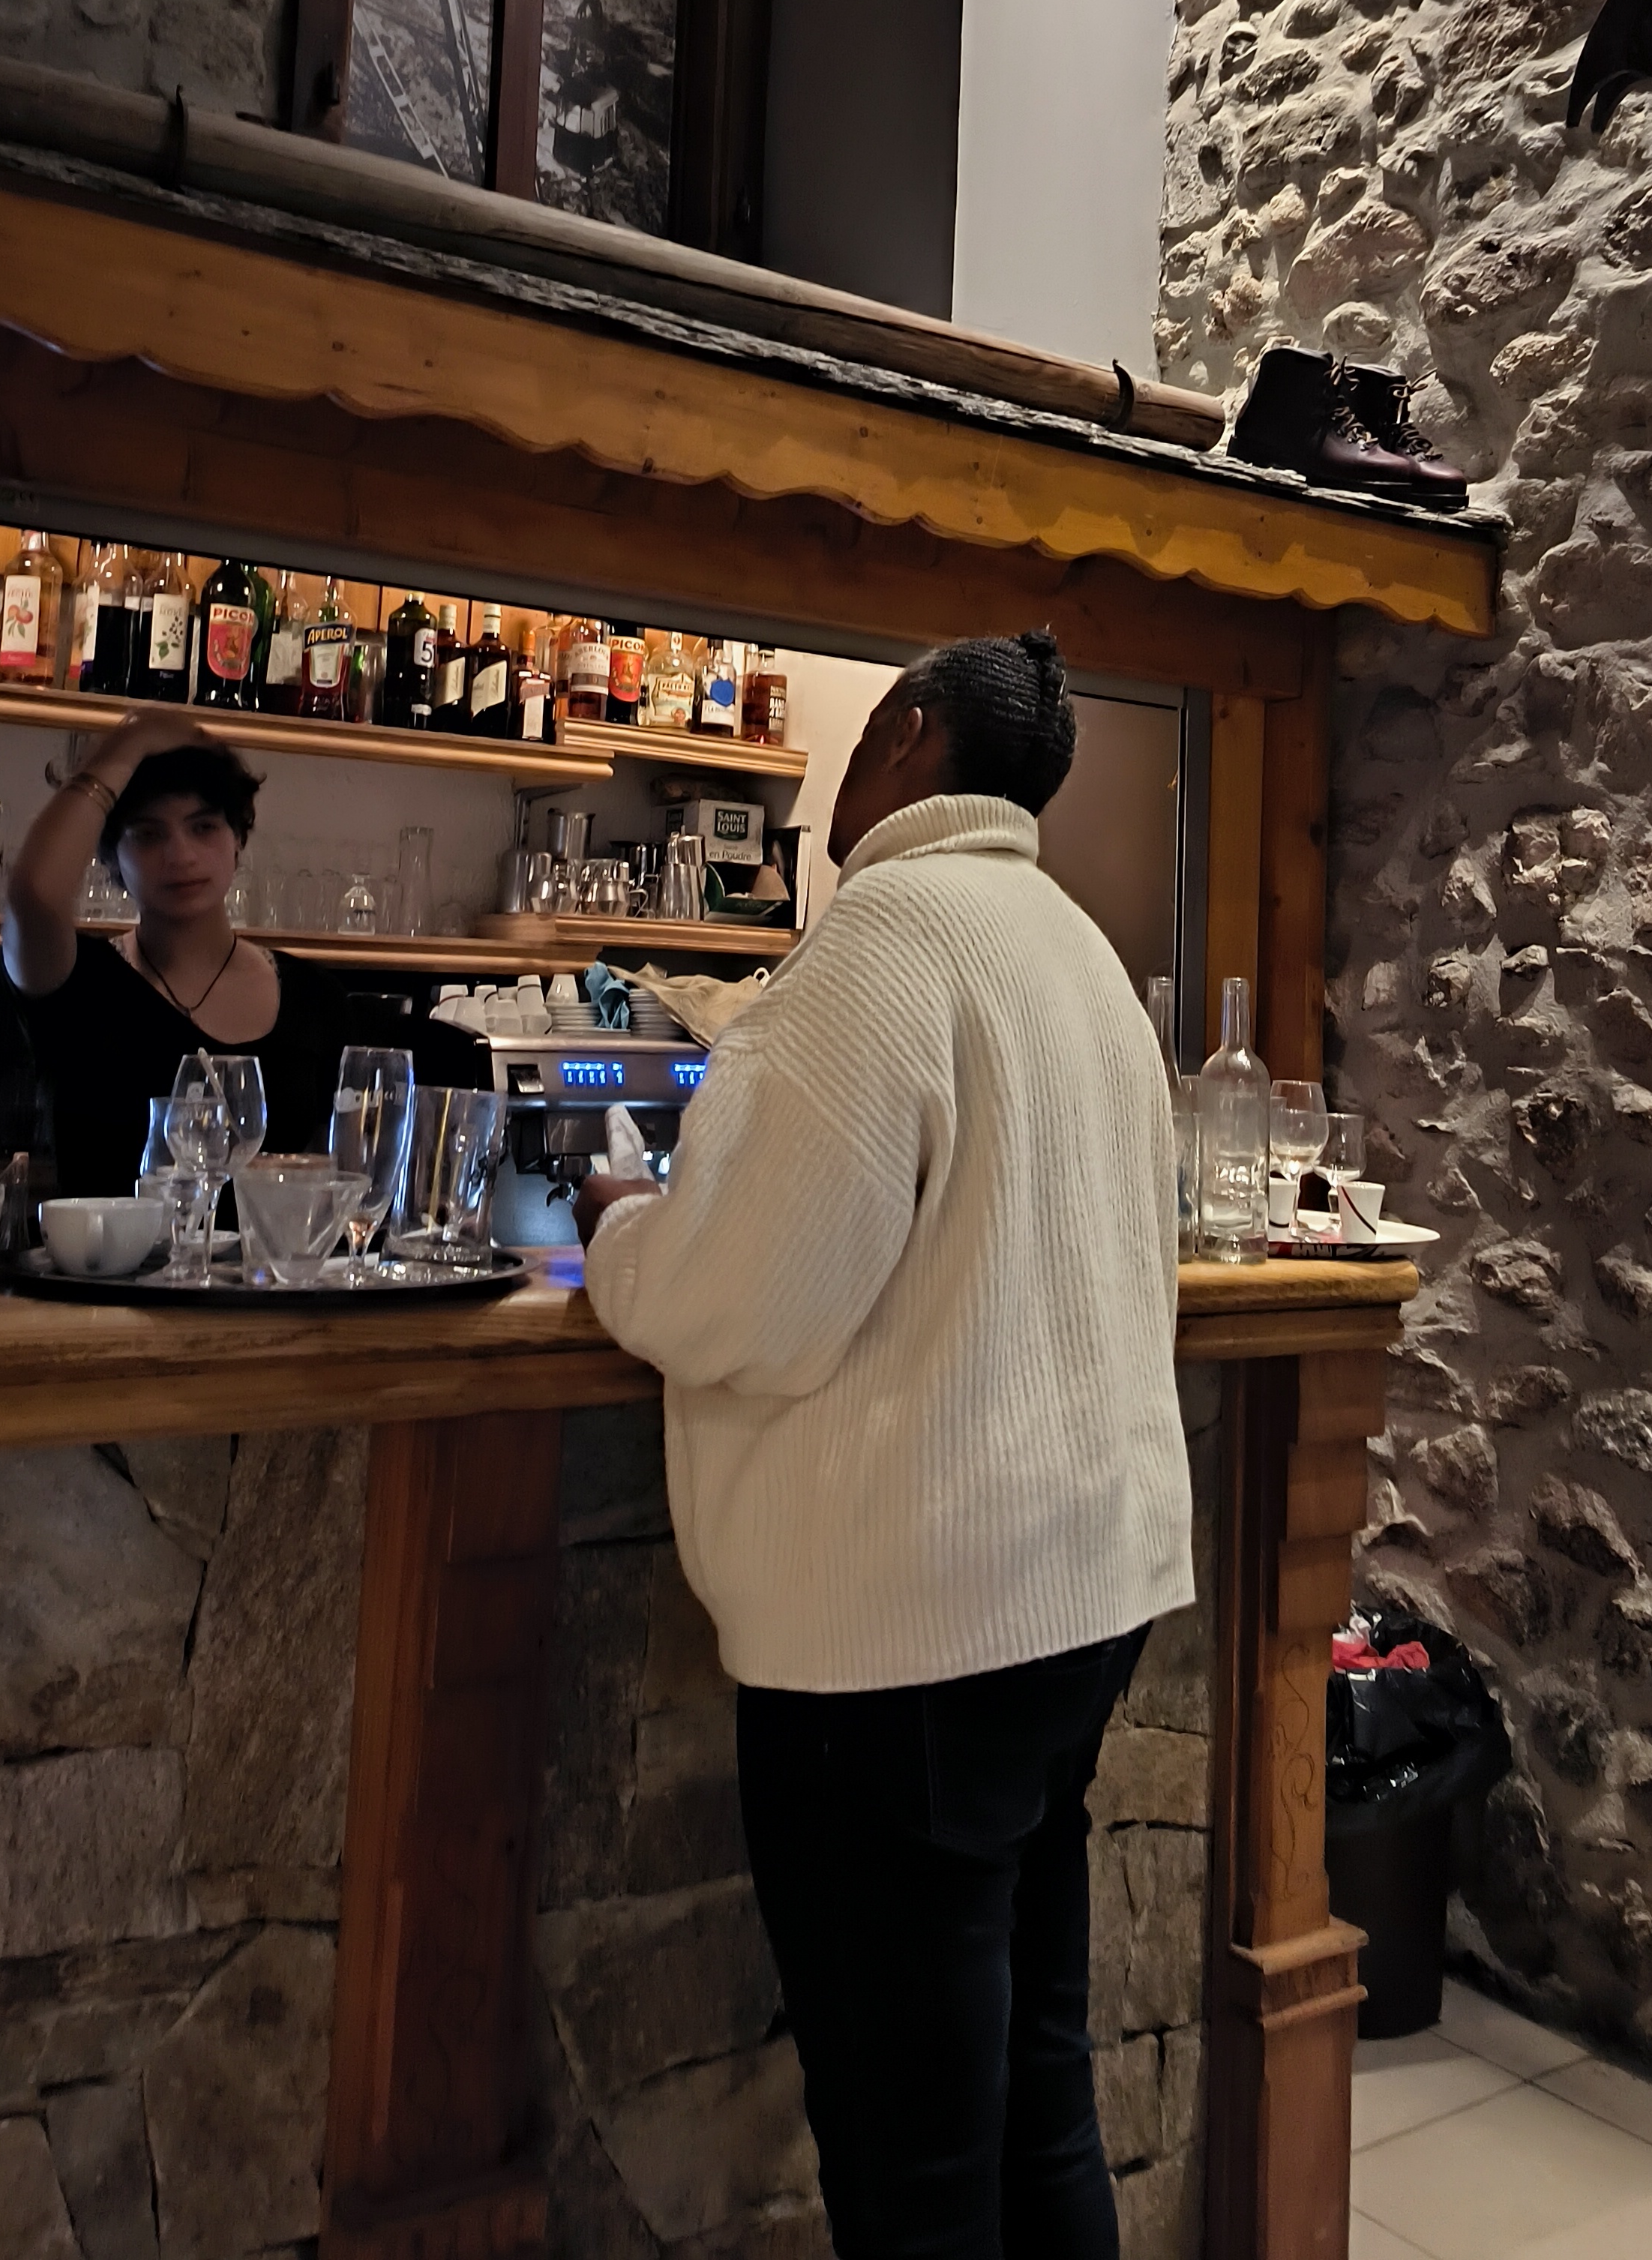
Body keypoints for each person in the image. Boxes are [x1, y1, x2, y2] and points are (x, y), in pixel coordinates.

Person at [577, 629, 1192, 2260]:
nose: (844, 773)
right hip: (1079, 1601)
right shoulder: (1078, 947)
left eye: (861, 738)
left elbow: (745, 1297)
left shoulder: (878, 943)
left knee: (912, 2168)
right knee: (1038, 2107)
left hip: (909, 1637)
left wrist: (623, 1227)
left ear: (910, 734)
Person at [1, 709, 349, 1197]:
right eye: (148, 834)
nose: (181, 856)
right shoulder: (79, 982)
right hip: (102, 1251)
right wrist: (133, 740)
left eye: (203, 827)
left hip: (271, 1252)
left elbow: (344, 1173)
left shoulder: (314, 997)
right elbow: (35, 894)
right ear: (111, 858)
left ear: (237, 840)